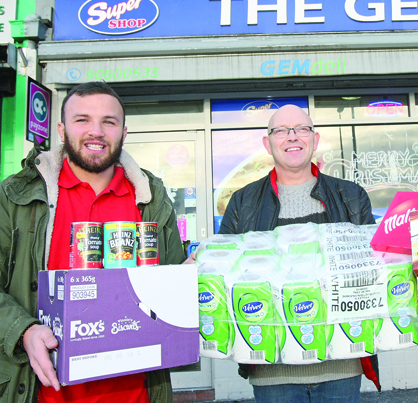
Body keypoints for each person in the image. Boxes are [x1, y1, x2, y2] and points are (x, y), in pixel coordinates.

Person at [0, 82, 185, 403]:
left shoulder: (151, 198)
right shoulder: (15, 197)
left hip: (137, 393)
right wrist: (23, 330)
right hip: (40, 393)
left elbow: (171, 292)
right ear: (61, 129)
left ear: (124, 132)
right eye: (82, 119)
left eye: (109, 122)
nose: (96, 131)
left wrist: (191, 279)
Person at [218, 104, 380, 402]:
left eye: (301, 129)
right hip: (273, 371)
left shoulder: (351, 196)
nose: (292, 137)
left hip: (340, 367)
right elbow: (224, 276)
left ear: (315, 140)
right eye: (281, 130)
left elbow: (373, 270)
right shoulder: (242, 202)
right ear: (268, 144)